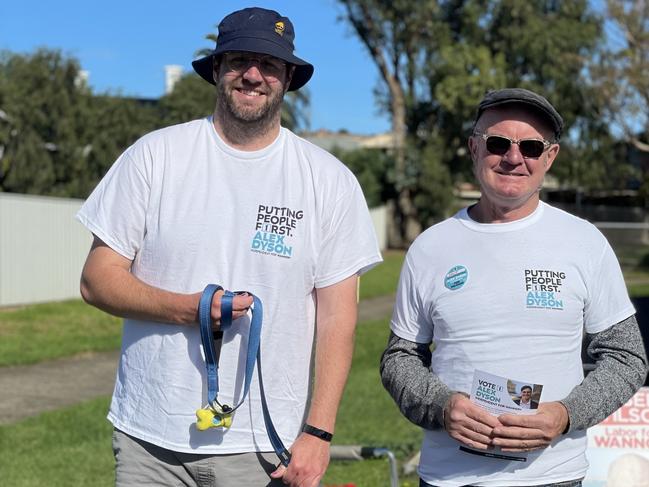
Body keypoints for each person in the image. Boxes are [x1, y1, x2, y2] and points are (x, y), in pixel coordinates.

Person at [77, 7, 382, 487]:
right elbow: (97, 280)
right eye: (240, 59)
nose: (254, 75)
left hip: (262, 448)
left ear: (287, 79)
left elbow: (338, 317)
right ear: (217, 69)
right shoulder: (154, 157)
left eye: (270, 65)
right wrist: (188, 308)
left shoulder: (328, 181)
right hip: (150, 442)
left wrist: (318, 432)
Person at [380, 87, 648, 487]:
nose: (513, 157)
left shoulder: (584, 241)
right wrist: (440, 406)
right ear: (474, 148)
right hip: (450, 478)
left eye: (532, 148)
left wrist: (567, 414)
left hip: (553, 477)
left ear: (550, 157)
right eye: (498, 142)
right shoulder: (430, 247)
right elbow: (399, 358)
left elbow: (627, 357)